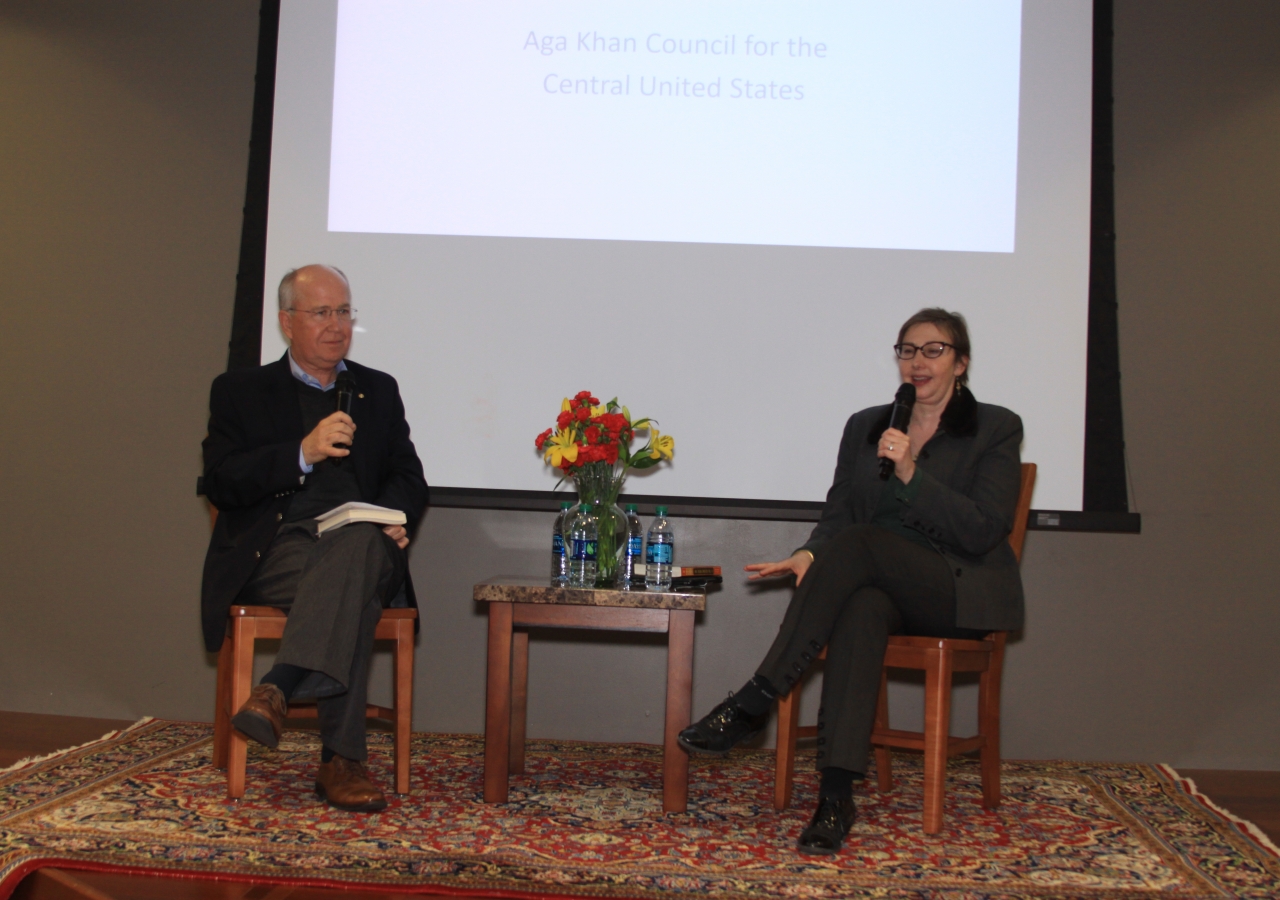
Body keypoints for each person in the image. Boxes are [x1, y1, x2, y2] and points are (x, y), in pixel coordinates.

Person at [677, 308, 1024, 854]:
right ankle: (836, 798)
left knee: (862, 547)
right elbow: (839, 515)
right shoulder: (867, 425)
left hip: (955, 587)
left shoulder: (995, 427)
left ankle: (755, 699)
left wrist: (911, 471)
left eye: (933, 350)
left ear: (961, 363)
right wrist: (808, 554)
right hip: (878, 581)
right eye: (907, 350)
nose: (917, 361)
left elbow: (983, 530)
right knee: (860, 606)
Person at [200, 265, 429, 812]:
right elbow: (223, 481)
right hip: (280, 547)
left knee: (355, 547)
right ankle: (341, 761)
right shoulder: (240, 391)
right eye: (321, 312)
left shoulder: (377, 389)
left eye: (344, 311)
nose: (336, 325)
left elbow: (409, 476)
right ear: (286, 321)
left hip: (367, 539)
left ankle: (278, 684)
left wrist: (393, 512)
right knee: (353, 588)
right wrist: (301, 451)